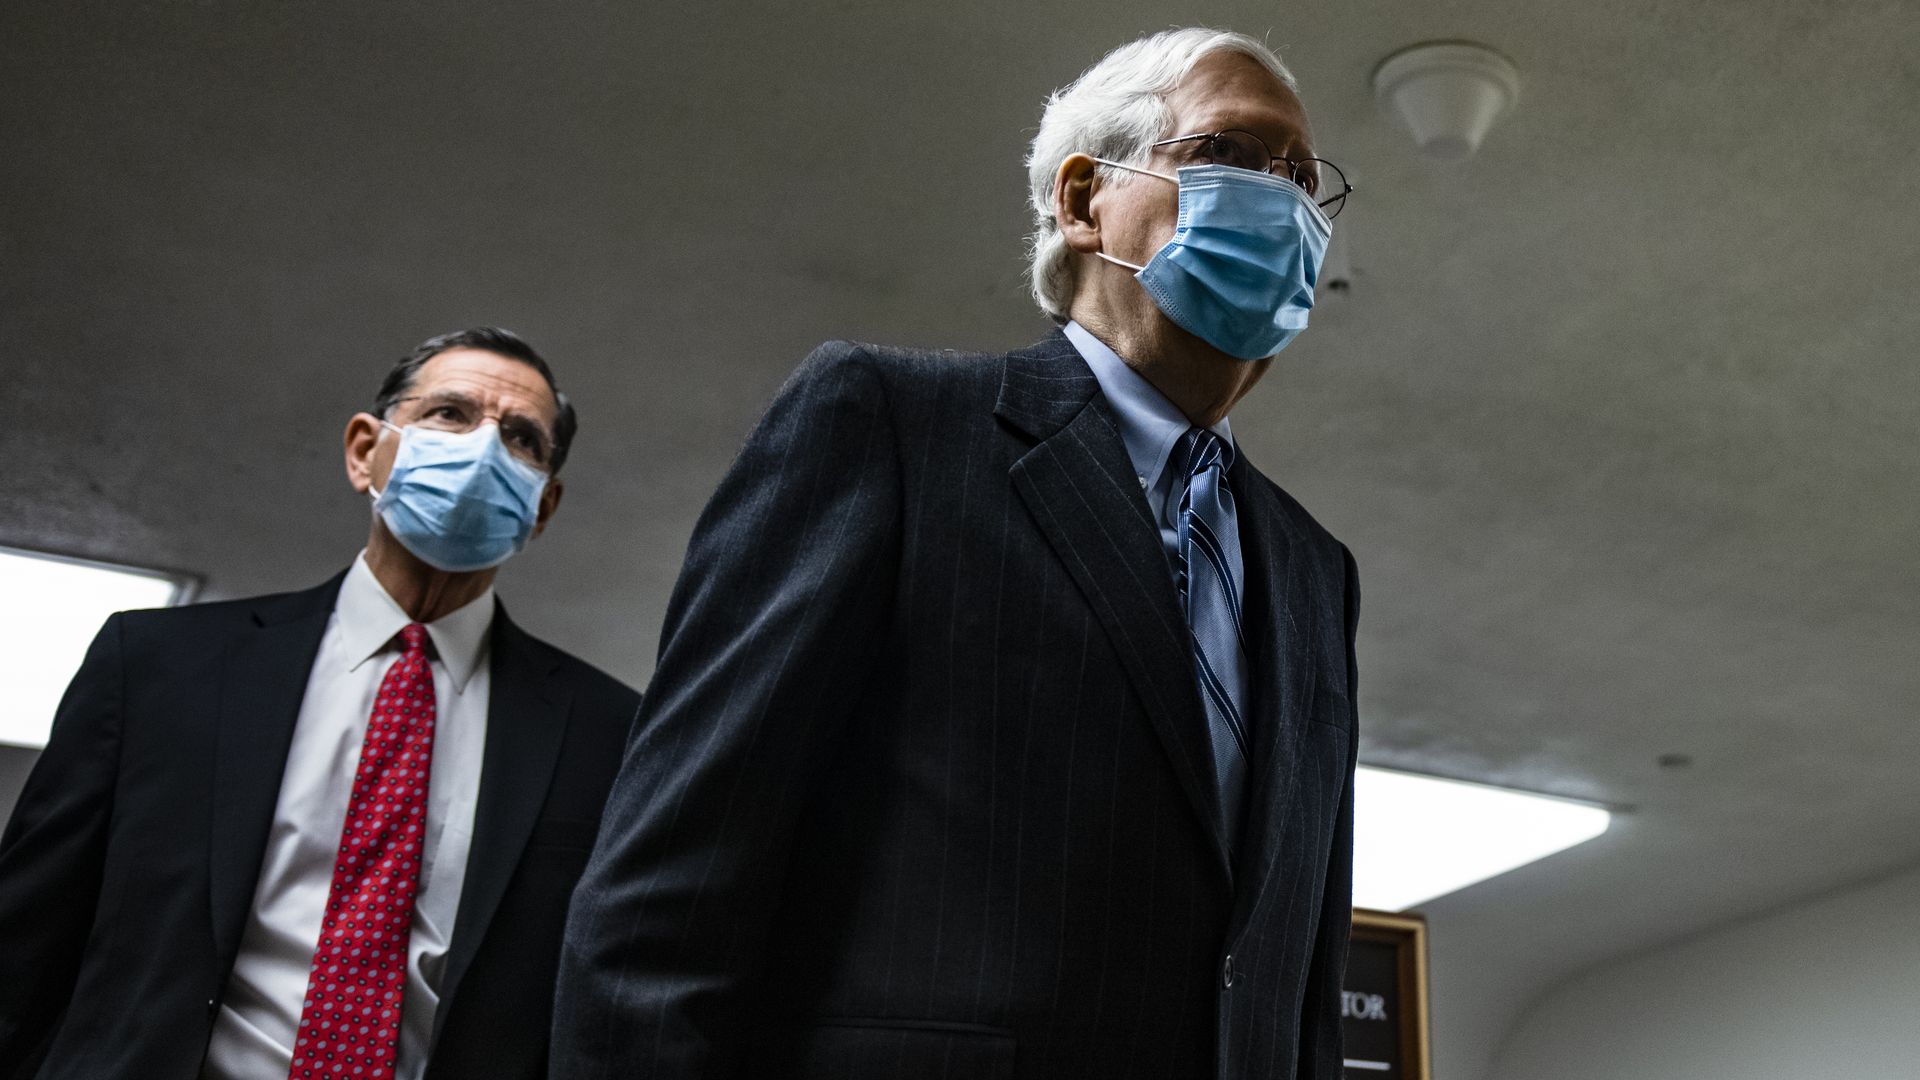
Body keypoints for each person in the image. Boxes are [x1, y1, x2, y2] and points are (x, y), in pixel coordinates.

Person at [554, 27, 1360, 1080]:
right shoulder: (890, 426)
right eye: (1232, 155)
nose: (1285, 200)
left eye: (1304, 177)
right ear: (1081, 201)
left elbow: (1295, 978)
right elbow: (667, 896)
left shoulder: (1312, 570)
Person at [0, 327, 642, 1080]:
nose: (483, 451)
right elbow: (25, 939)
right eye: (450, 415)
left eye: (523, 439)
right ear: (365, 451)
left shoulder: (609, 735)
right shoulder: (158, 665)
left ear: (544, 505)